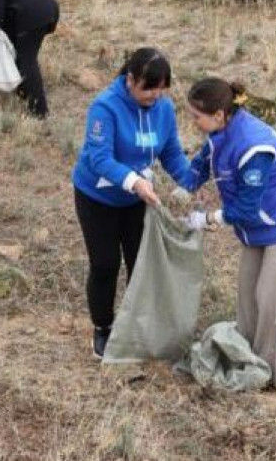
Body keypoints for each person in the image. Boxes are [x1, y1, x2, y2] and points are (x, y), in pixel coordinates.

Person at [179, 77, 276, 391]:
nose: (192, 121)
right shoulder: (220, 131)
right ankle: (248, 358)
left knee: (272, 300)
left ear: (218, 115)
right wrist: (181, 189)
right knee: (248, 294)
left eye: (196, 116)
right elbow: (202, 163)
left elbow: (246, 208)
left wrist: (207, 218)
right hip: (257, 226)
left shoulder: (253, 145)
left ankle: (272, 375)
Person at [71, 48, 197, 358]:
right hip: (97, 197)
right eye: (149, 88)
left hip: (136, 200)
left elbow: (170, 153)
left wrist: (192, 181)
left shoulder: (164, 110)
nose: (155, 95)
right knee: (105, 264)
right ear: (130, 80)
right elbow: (99, 158)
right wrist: (135, 182)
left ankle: (134, 325)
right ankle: (103, 328)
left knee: (139, 264)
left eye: (161, 88)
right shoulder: (105, 107)